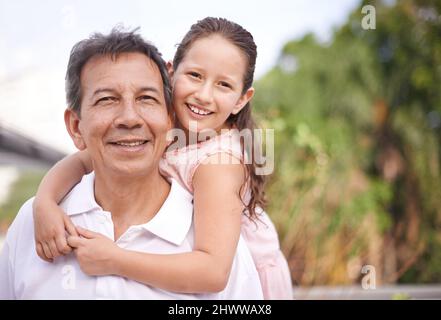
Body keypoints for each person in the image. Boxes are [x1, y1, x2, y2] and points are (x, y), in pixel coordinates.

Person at [33, 17, 292, 299]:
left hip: (246, 283)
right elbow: (84, 160)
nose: (204, 95)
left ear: (242, 99)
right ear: (170, 72)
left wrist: (115, 259)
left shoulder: (219, 163)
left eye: (224, 85)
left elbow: (214, 272)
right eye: (195, 75)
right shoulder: (162, 128)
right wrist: (44, 202)